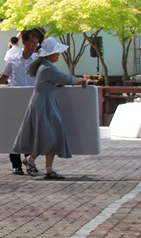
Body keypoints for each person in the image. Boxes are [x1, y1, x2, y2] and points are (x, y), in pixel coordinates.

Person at [11, 36, 94, 179]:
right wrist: (80, 80)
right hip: (43, 104)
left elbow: (58, 79)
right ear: (48, 54)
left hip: (45, 102)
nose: (58, 55)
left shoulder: (45, 66)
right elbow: (65, 78)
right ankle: (32, 160)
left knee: (51, 135)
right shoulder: (47, 68)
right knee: (49, 135)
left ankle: (45, 167)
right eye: (55, 52)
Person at [0, 27, 44, 175]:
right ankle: (16, 165)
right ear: (24, 42)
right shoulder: (13, 59)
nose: (34, 46)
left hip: (32, 100)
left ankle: (29, 162)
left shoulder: (38, 61)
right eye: (32, 42)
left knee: (31, 134)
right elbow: (4, 77)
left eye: (36, 43)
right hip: (14, 101)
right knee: (14, 133)